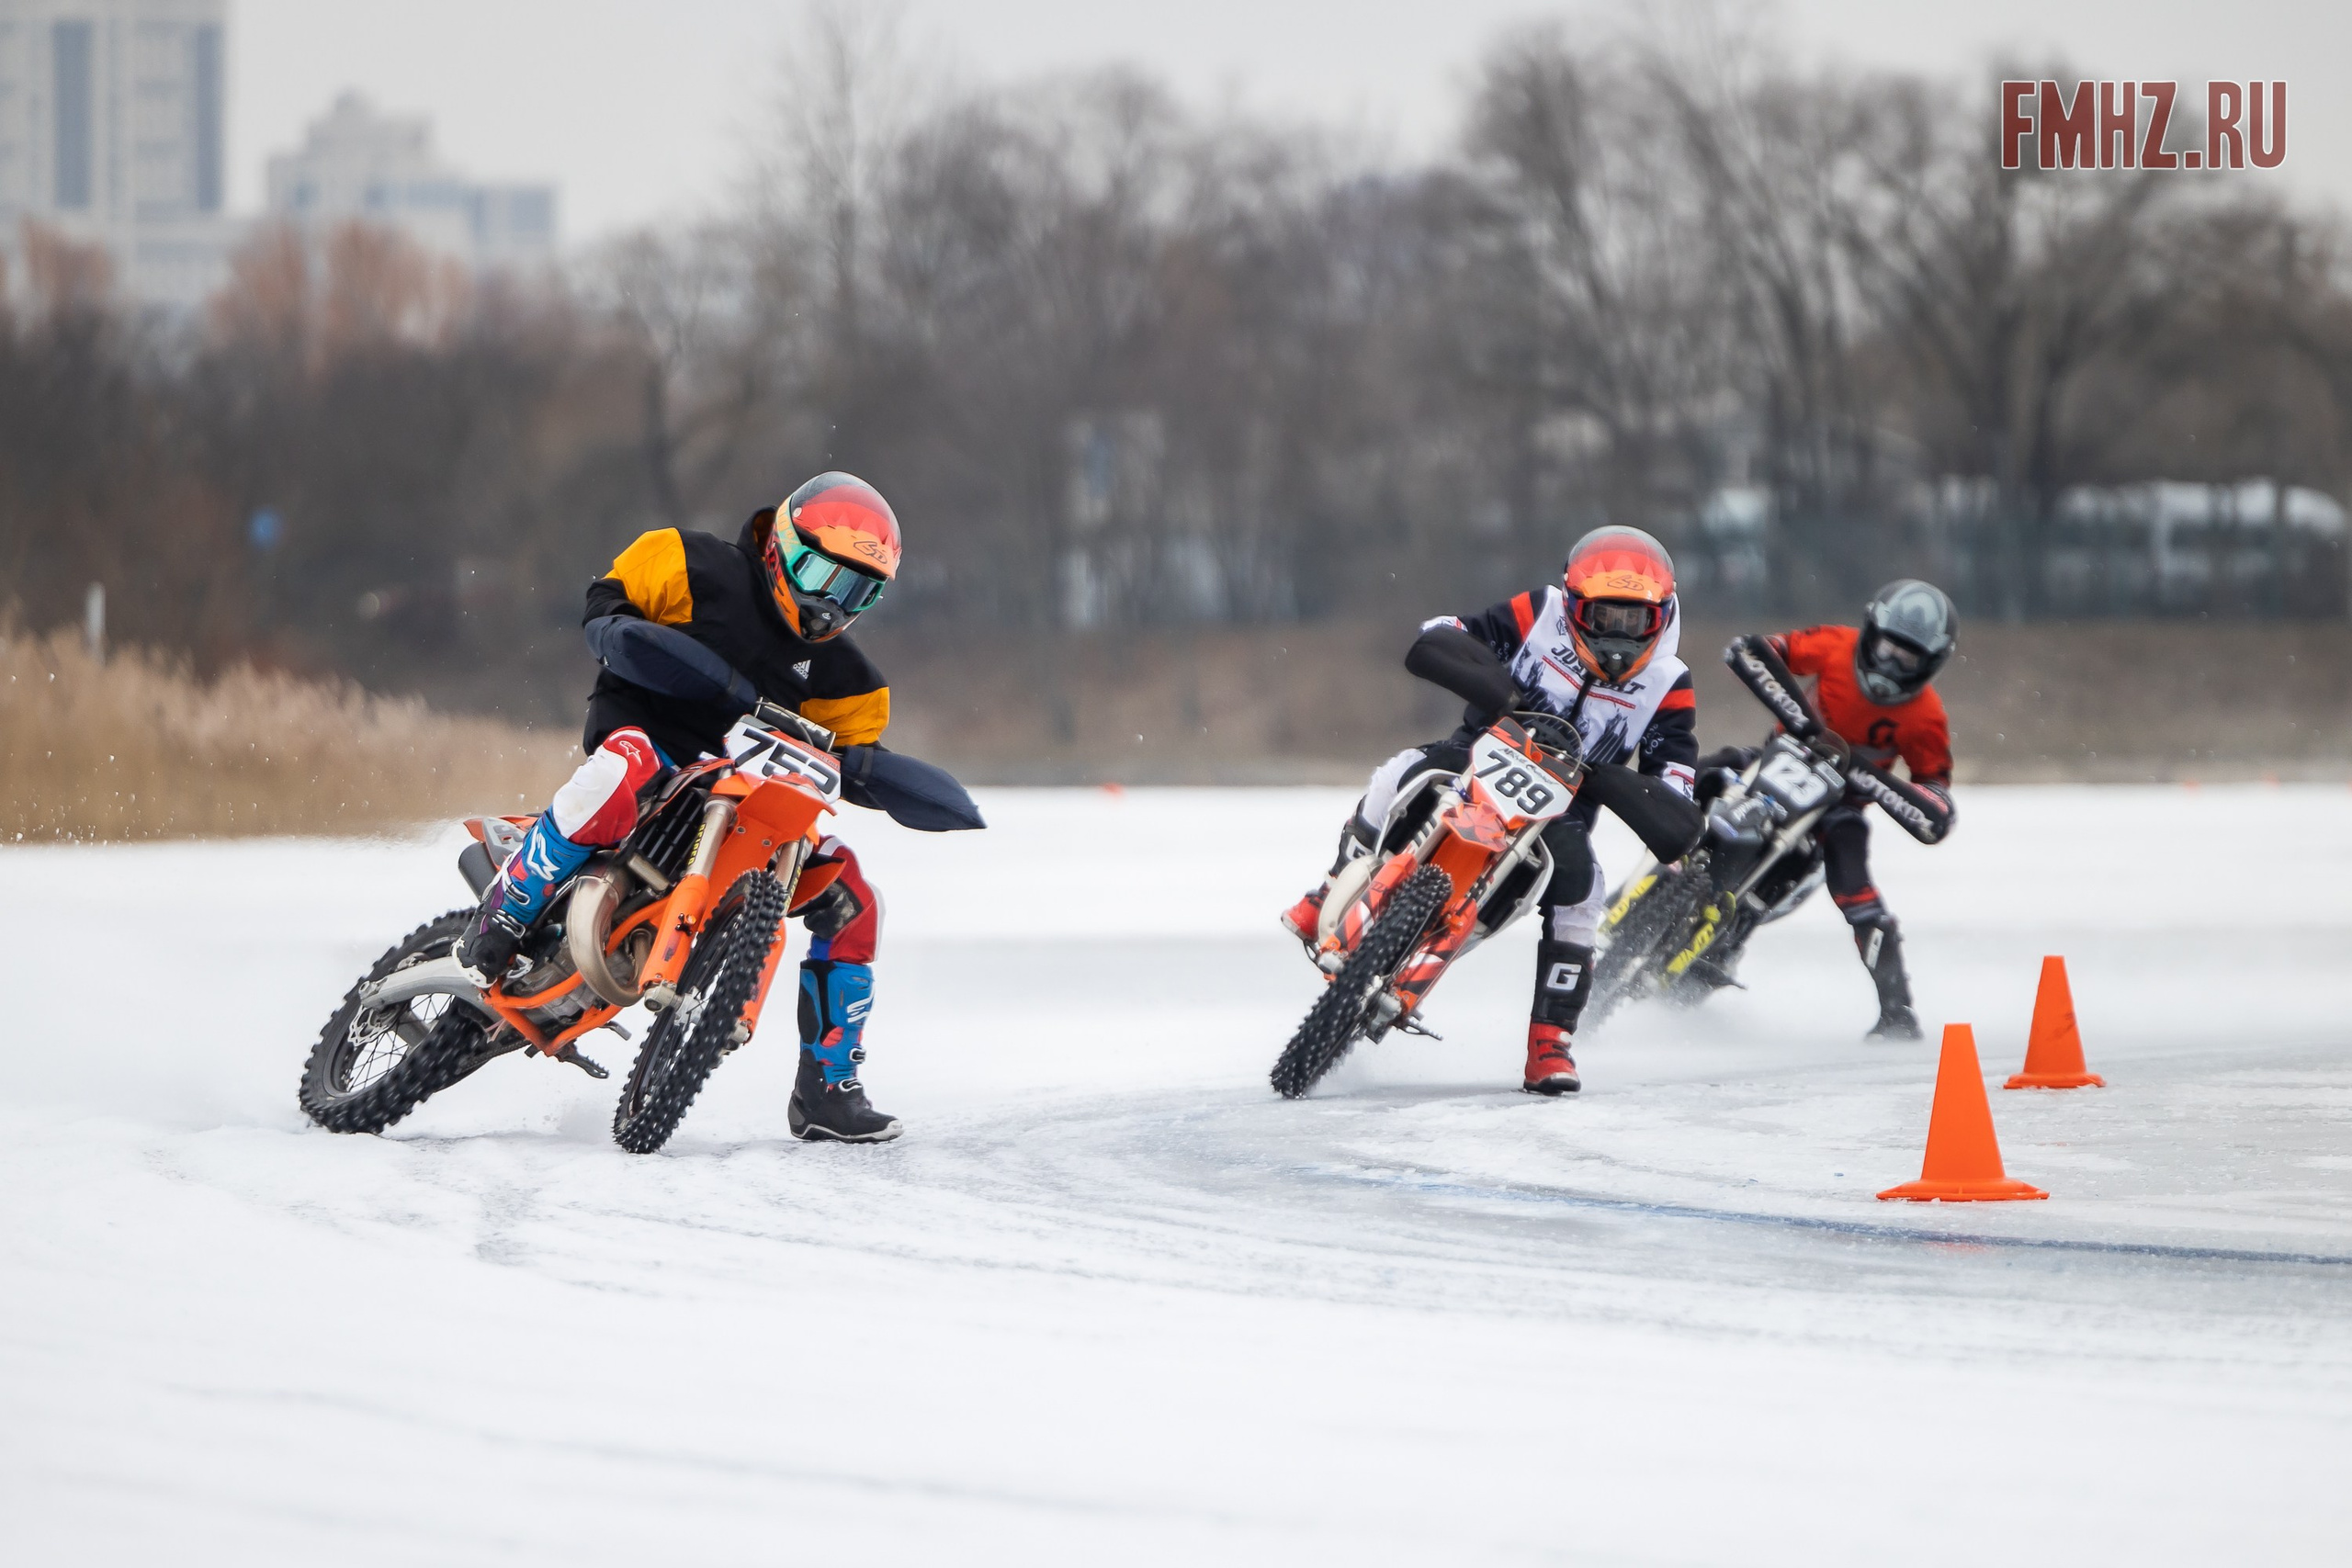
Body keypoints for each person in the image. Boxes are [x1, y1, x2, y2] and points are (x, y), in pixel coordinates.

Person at [455, 471, 910, 1143]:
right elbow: (608, 599)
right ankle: (509, 904)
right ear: (783, 547)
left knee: (855, 900)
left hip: (755, 795)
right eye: (822, 575)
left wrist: (888, 780)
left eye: (856, 591)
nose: (831, 604)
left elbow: (857, 754)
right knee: (622, 769)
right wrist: (616, 629)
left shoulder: (855, 684)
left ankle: (828, 1086)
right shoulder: (690, 562)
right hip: (649, 734)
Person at [1281, 526, 1702, 1096]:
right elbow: (1449, 634)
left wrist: (1616, 786)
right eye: (1604, 618)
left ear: (1663, 616)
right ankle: (1329, 889)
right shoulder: (1539, 611)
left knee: (1586, 893)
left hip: (1565, 806)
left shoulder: (1670, 682)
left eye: (1635, 621)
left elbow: (1676, 783)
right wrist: (1499, 691)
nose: (1619, 636)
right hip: (1481, 749)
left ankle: (1550, 1043)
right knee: (1400, 770)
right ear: (1575, 607)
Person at [1713, 580, 1959, 1041]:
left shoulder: (1926, 717)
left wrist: (1869, 778)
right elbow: (1756, 651)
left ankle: (1897, 1012)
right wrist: (1805, 726)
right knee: (1705, 770)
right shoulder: (1834, 645)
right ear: (1869, 633)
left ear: (1930, 665)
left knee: (1858, 891)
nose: (1889, 664)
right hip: (1775, 759)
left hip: (1839, 806)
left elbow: (1935, 794)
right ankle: (1660, 864)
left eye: (1906, 659)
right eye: (1887, 648)